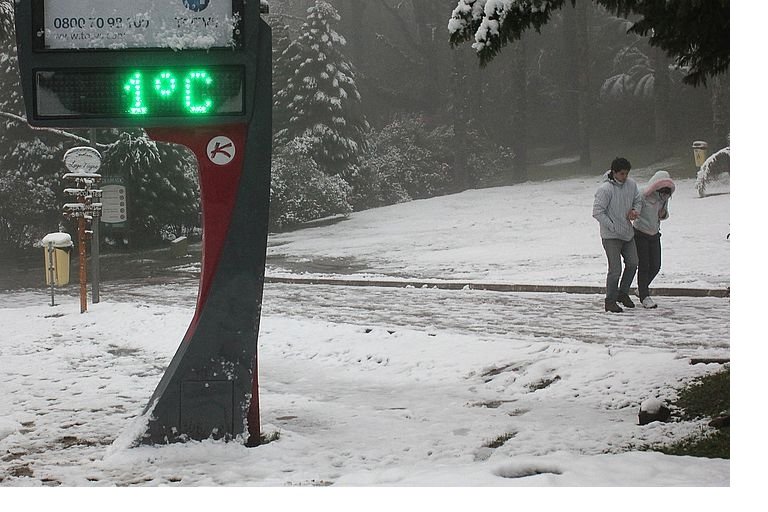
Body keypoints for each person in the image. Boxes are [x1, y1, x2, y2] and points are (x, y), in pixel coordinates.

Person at [592, 157, 642, 313]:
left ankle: (623, 292)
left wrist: (635, 211)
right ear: (613, 173)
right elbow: (597, 212)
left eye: (626, 173)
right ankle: (610, 300)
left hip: (628, 233)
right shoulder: (605, 189)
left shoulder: (631, 185)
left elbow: (637, 200)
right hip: (611, 236)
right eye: (621, 174)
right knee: (615, 270)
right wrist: (612, 226)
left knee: (633, 263)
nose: (624, 177)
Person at [632, 170, 676, 309]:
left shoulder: (664, 198)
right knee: (644, 265)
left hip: (655, 234)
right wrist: (634, 213)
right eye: (662, 192)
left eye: (667, 193)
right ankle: (644, 296)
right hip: (640, 233)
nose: (664, 196)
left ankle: (642, 288)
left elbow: (663, 214)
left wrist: (663, 214)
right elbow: (635, 209)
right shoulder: (642, 195)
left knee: (656, 265)